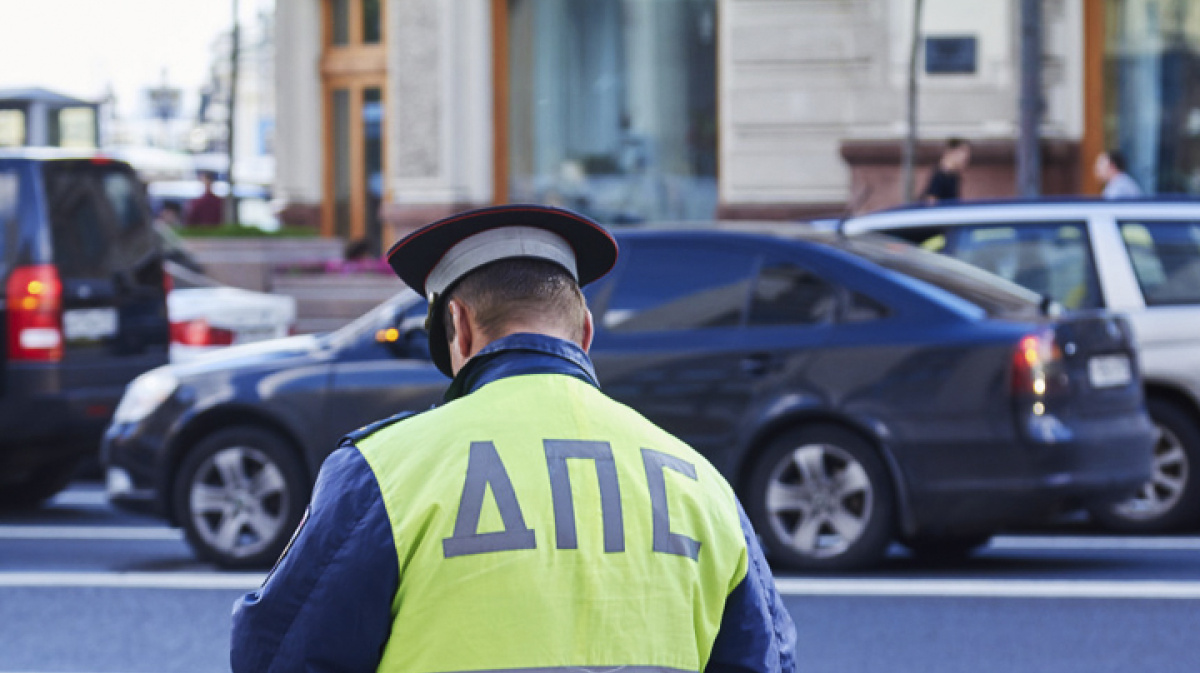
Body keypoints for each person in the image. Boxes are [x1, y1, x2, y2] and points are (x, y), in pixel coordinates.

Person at [230, 204, 796, 673]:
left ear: (461, 324)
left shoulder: (383, 472)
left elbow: (279, 658)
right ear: (586, 333)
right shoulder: (700, 484)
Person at [921, 137, 972, 204]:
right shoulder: (940, 177)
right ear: (950, 151)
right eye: (962, 151)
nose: (966, 156)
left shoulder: (954, 177)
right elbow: (931, 203)